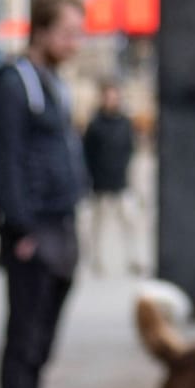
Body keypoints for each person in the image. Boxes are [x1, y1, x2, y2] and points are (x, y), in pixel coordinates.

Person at [0, 0, 92, 388]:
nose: (75, 43)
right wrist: (18, 228)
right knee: (24, 341)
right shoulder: (14, 84)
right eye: (68, 33)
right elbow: (1, 160)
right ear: (41, 31)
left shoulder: (53, 83)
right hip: (33, 234)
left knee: (42, 342)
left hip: (60, 229)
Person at [82, 80, 141, 273]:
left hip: (121, 182)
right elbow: (87, 153)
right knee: (98, 226)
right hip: (100, 184)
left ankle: (134, 258)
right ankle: (97, 260)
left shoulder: (124, 123)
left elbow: (131, 150)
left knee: (130, 223)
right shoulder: (95, 125)